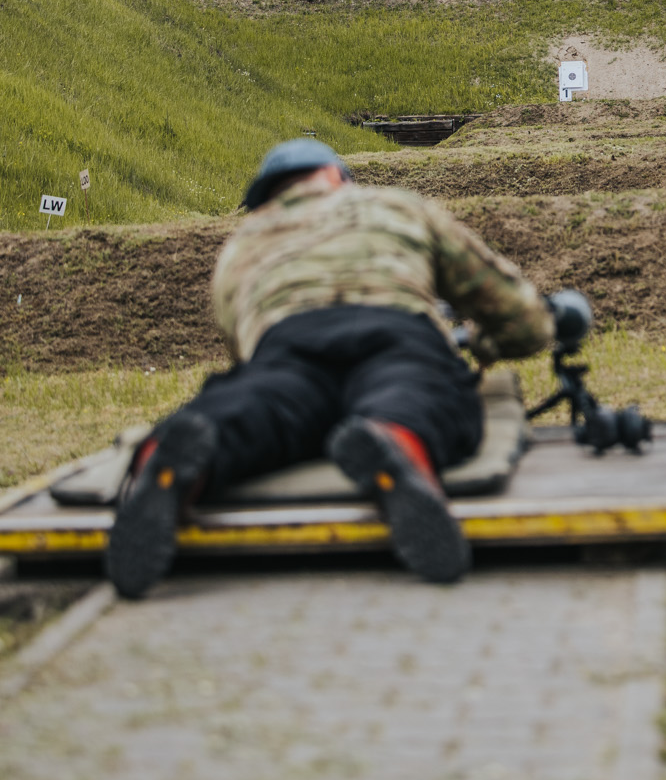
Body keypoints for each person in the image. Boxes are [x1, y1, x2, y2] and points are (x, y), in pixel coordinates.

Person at [107, 138, 554, 599]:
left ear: (267, 196)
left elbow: (242, 345)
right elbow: (520, 315)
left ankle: (169, 458)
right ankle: (397, 441)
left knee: (259, 402)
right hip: (393, 328)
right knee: (418, 393)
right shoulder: (395, 206)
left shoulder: (243, 242)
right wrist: (485, 345)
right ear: (337, 175)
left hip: (289, 341)